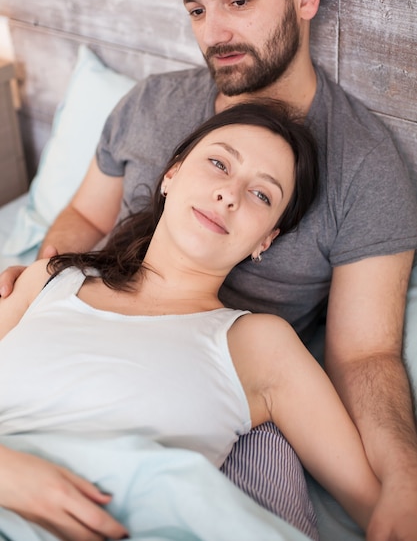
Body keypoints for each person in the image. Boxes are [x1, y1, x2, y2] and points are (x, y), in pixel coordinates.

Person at [1, 0, 417, 539]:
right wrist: (45, 278)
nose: (213, 32)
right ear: (172, 174)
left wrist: (404, 484)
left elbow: (365, 354)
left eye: (238, 2)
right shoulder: (149, 103)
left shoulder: (364, 167)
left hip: (204, 387)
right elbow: (87, 214)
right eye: (196, 10)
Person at [0, 102, 382, 541]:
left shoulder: (259, 343)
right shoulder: (49, 281)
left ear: (266, 239)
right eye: (219, 163)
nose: (230, 195)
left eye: (262, 195)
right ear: (172, 174)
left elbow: (379, 507)